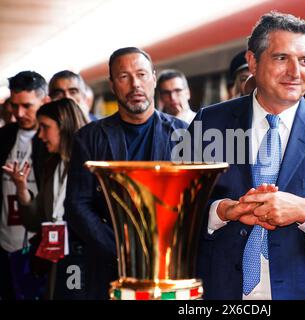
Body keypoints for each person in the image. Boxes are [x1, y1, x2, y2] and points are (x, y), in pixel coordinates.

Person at [189, 11, 305, 300]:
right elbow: (177, 211)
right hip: (224, 290)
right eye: (281, 58)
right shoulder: (209, 124)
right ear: (252, 61)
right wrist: (221, 212)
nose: (295, 72)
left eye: (304, 61)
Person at [64, 47, 188, 299]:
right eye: (124, 77)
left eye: (141, 74)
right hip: (108, 267)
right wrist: (121, 250)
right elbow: (77, 204)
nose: (135, 85)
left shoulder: (184, 134)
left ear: (153, 78)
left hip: (168, 268)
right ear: (112, 84)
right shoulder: (89, 138)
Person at [2, 98, 88, 299]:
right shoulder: (51, 167)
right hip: (55, 262)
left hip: (81, 262)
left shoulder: (89, 168)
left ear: (64, 126)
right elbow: (35, 221)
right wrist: (22, 189)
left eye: (45, 128)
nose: (40, 135)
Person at [0, 71, 50, 299]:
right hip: (5, 240)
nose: (19, 113)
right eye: (14, 106)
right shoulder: (4, 137)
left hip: (39, 242)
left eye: (27, 106)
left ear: (44, 101)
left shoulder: (51, 141)